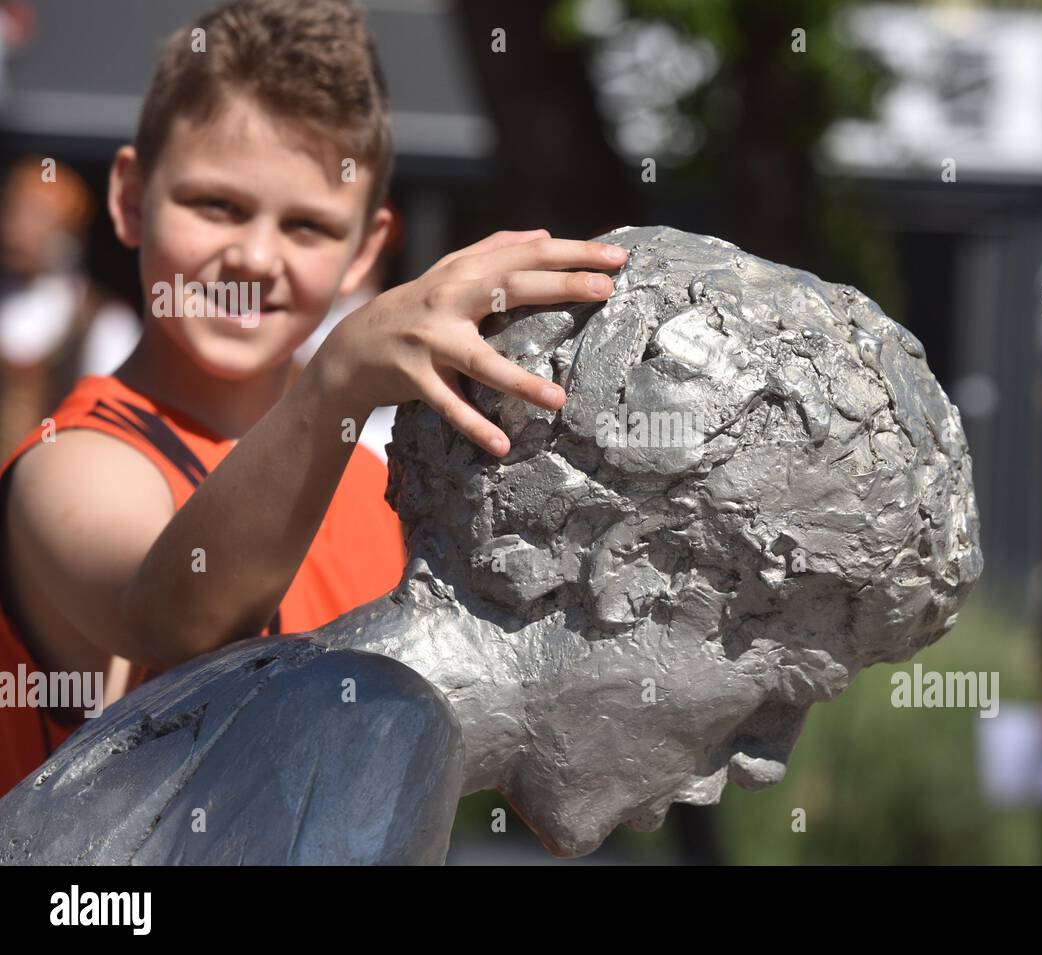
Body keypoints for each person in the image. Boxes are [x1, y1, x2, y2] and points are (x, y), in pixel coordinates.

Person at [0, 0, 629, 798]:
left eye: (307, 226)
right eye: (216, 205)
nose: (256, 256)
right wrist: (341, 374)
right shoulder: (75, 458)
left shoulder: (376, 491)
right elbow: (176, 618)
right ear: (130, 196)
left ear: (366, 249)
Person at [0, 157, 142, 459]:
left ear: (69, 233)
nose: (19, 229)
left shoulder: (105, 321)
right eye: (14, 212)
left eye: (40, 218)